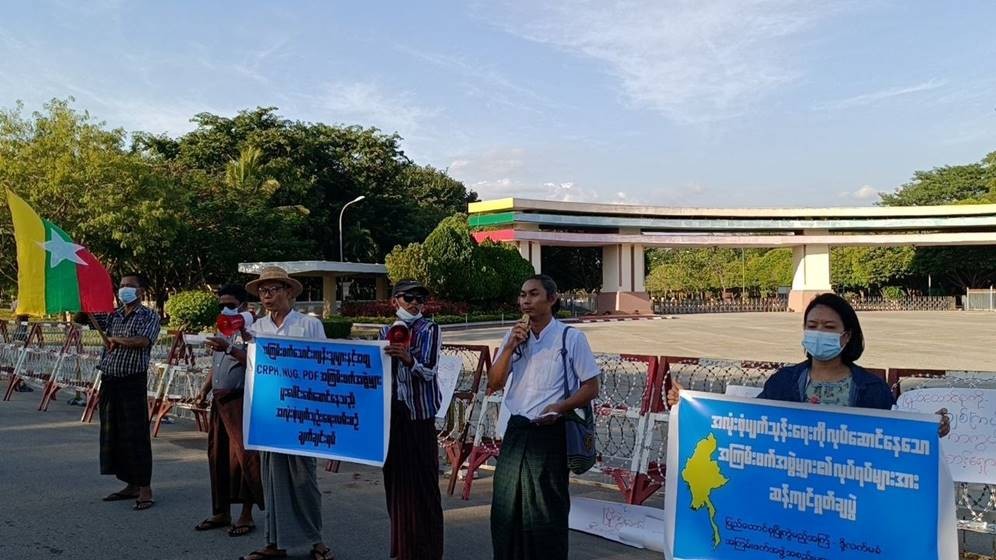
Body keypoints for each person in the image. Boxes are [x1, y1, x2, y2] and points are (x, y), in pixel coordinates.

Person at [667, 292, 951, 436]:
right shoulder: (783, 382)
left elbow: (894, 434)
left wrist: (929, 428)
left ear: (846, 336)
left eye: (829, 327)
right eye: (812, 326)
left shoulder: (871, 389)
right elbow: (748, 420)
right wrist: (691, 404)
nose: (819, 332)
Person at [487, 274, 601, 560]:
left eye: (534, 294)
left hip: (550, 434)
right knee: (506, 507)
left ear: (552, 299)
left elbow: (591, 387)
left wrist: (560, 407)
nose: (526, 300)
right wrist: (510, 347)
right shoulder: (513, 337)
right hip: (517, 432)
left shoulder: (570, 338)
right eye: (522, 295)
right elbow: (495, 382)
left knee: (545, 511)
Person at [240, 266, 334, 560]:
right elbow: (253, 366)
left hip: (302, 413)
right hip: (269, 414)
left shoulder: (309, 326)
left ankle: (316, 541)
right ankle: (274, 543)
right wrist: (233, 347)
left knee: (304, 479)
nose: (267, 296)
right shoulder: (256, 329)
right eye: (262, 291)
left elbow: (325, 365)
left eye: (273, 289)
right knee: (272, 479)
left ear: (289, 291)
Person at [378, 280, 444, 560]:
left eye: (420, 299)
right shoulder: (383, 332)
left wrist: (408, 359)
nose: (415, 303)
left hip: (419, 416)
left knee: (424, 484)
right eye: (409, 298)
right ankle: (403, 548)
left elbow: (429, 371)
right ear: (395, 301)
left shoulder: (430, 330)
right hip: (393, 417)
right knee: (396, 485)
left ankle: (428, 551)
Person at [194, 285, 264, 538]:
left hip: (240, 399)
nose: (225, 309)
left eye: (231, 305)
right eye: (221, 304)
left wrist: (230, 348)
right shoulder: (221, 327)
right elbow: (216, 364)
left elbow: (257, 362)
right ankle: (220, 511)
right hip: (219, 398)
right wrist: (204, 389)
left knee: (244, 459)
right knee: (218, 456)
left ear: (244, 306)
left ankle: (246, 514)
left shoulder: (253, 330)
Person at [93, 273, 162, 511]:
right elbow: (87, 317)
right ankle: (130, 483)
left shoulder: (149, 316)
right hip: (110, 379)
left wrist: (118, 340)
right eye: (122, 286)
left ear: (140, 291)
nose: (124, 289)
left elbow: (143, 341)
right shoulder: (114, 315)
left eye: (129, 286)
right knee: (114, 433)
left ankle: (144, 487)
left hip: (132, 381)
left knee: (136, 434)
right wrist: (82, 297)